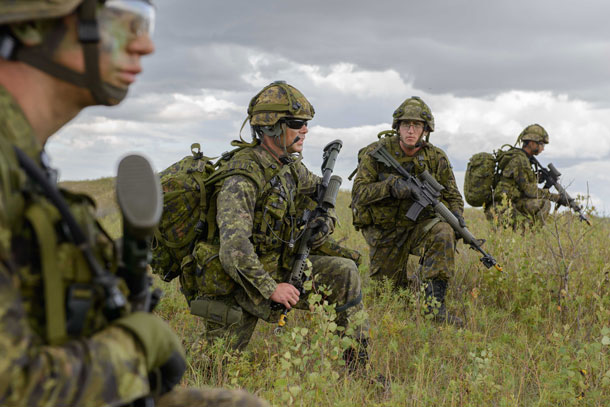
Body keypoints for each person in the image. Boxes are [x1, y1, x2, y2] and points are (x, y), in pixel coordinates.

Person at [0, 1, 267, 406]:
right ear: (34, 25)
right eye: (120, 19)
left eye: (146, 22)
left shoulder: (23, 158)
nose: (145, 45)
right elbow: (14, 389)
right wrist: (134, 346)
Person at [183, 81, 372, 369]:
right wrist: (272, 288)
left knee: (344, 272)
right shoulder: (242, 177)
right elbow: (234, 250)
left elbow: (319, 197)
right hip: (239, 283)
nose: (305, 130)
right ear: (271, 127)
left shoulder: (290, 167)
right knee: (214, 368)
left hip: (280, 265)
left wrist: (325, 221)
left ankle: (358, 368)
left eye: (306, 123)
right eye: (297, 123)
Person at [351, 96, 464, 326]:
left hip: (418, 228)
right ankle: (414, 284)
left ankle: (435, 308)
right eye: (406, 125)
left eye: (416, 126)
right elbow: (359, 194)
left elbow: (452, 196)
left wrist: (458, 217)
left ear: (425, 130)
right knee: (389, 298)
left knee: (444, 231)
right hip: (385, 232)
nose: (411, 130)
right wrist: (390, 187)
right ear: (398, 128)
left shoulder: (436, 157)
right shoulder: (377, 152)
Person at [485, 123, 567, 227]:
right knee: (545, 203)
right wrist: (557, 198)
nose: (543, 148)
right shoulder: (520, 160)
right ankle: (534, 237)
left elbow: (519, 183)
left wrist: (537, 178)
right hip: (502, 208)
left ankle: (530, 234)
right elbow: (530, 191)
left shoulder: (521, 158)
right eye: (541, 144)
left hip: (505, 205)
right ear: (532, 143)